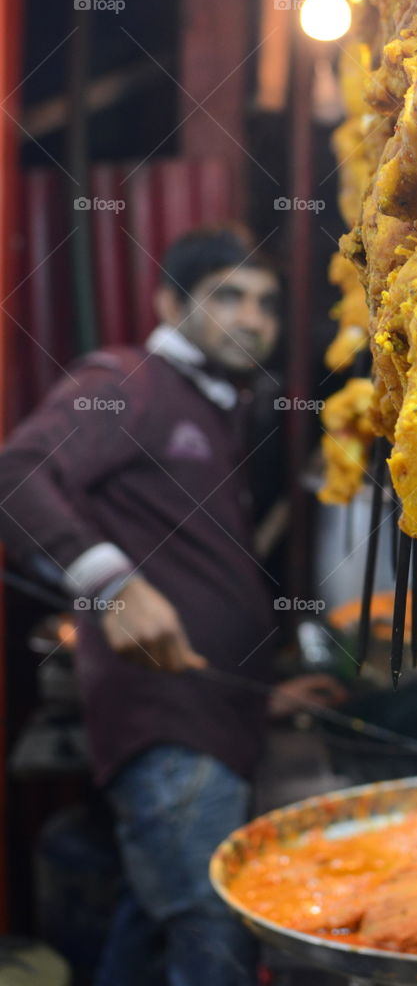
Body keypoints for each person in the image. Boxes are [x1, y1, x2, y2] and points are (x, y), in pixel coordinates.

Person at [0, 225, 341, 986]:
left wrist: (261, 697)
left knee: (152, 927)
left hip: (211, 716)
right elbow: (16, 476)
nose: (251, 318)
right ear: (168, 302)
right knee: (209, 930)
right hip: (167, 729)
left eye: (264, 303)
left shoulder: (216, 405)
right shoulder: (131, 379)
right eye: (226, 297)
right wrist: (113, 584)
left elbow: (191, 563)